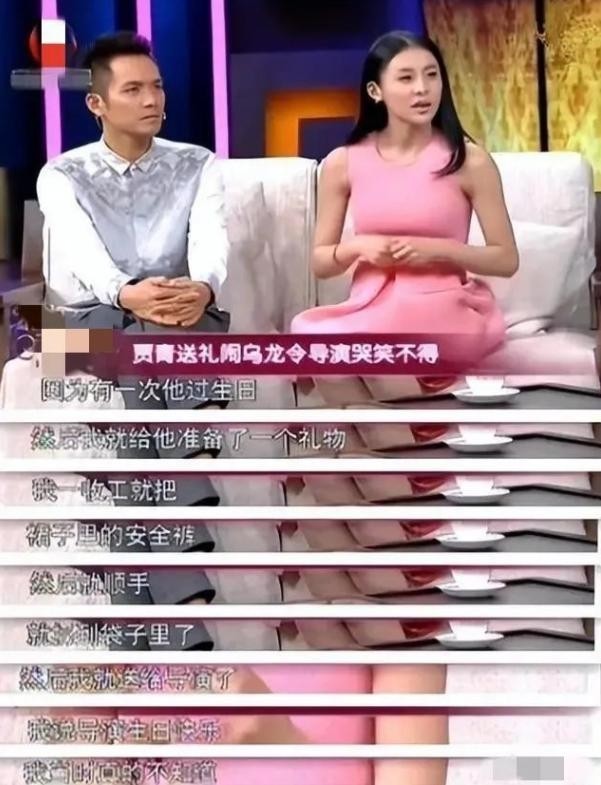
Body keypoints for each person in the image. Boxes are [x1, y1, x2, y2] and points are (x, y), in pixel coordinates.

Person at [36, 31, 231, 651]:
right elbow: (84, 257)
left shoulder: (197, 163)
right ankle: (189, 460)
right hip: (80, 325)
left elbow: (211, 240)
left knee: (154, 346)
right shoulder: (62, 174)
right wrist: (127, 293)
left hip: (172, 319)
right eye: (134, 89)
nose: (152, 100)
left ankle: (143, 639)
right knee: (147, 333)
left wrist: (202, 287)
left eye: (158, 87)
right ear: (97, 104)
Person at [292, 30, 519, 402]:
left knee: (361, 350)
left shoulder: (469, 160)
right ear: (375, 91)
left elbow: (506, 259)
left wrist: (436, 251)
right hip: (371, 303)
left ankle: (400, 431)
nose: (422, 89)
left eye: (432, 75)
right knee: (314, 340)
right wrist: (359, 247)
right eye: (406, 78)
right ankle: (399, 434)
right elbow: (321, 262)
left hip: (443, 307)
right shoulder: (343, 163)